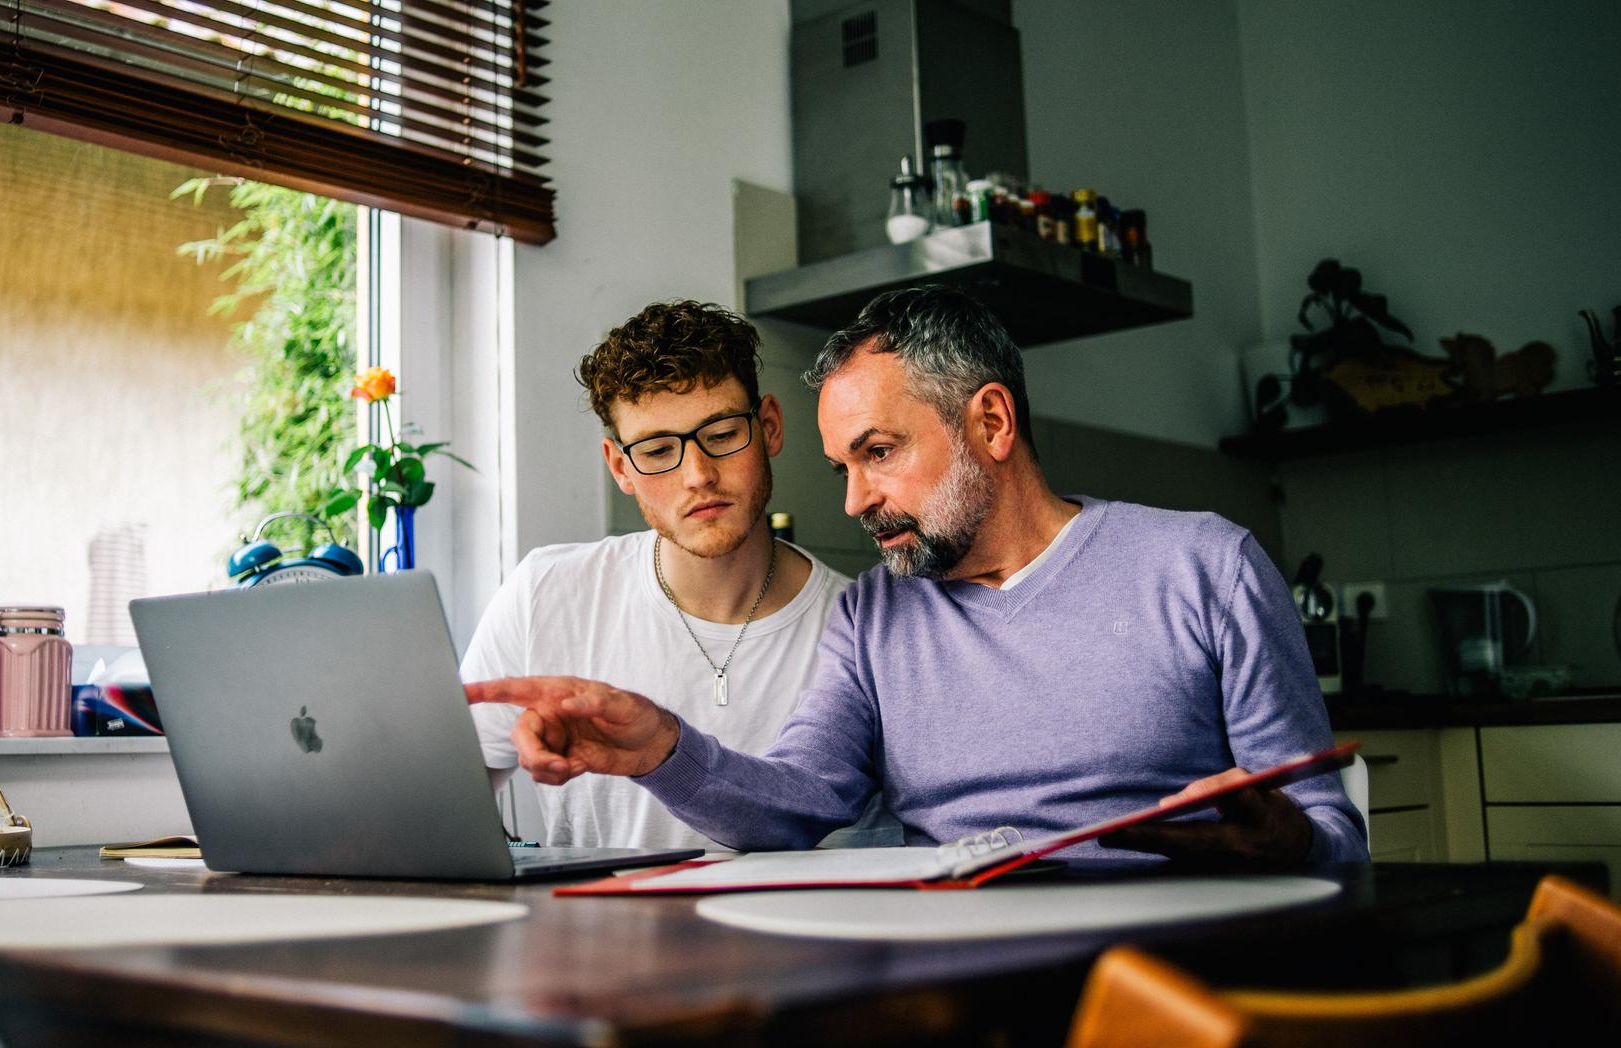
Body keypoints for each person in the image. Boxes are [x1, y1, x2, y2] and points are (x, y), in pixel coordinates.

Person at [468, 285, 1367, 866]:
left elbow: (1333, 838)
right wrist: (664, 749)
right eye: (841, 469)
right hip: (964, 997)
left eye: (880, 453)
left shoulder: (1205, 567)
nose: (856, 502)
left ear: (991, 423)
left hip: (1179, 983)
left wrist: (1282, 838)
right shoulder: (876, 616)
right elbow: (791, 808)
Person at [460, 300, 895, 852]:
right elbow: (441, 802)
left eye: (720, 434)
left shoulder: (868, 628)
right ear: (621, 468)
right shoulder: (545, 594)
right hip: (594, 937)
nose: (698, 475)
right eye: (659, 450)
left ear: (769, 427)